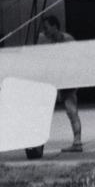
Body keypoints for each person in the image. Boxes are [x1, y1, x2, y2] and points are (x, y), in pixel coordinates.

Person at [36, 16, 82, 153]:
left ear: (55, 26)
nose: (44, 31)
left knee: (71, 110)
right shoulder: (48, 40)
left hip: (67, 79)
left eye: (46, 27)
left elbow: (77, 58)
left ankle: (77, 142)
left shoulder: (67, 40)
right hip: (57, 79)